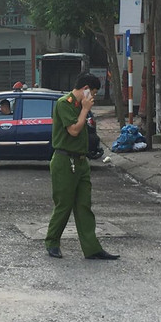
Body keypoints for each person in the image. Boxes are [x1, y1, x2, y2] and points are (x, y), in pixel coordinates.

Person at [45, 73, 119, 261]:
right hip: (64, 161)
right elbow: (74, 130)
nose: (93, 97)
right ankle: (52, 242)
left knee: (84, 205)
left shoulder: (80, 105)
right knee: (64, 205)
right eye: (92, 92)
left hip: (81, 161)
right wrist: (85, 110)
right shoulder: (65, 103)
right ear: (85, 88)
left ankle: (92, 248)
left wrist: (85, 109)